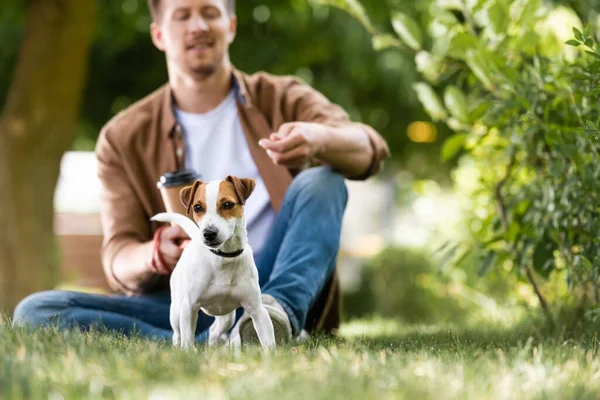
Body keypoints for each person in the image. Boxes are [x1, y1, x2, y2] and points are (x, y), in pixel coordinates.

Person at [12, 0, 390, 344]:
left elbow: (370, 148)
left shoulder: (281, 97)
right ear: (159, 34)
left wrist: (318, 138)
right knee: (36, 311)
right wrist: (156, 253)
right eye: (182, 15)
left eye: (210, 12)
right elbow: (119, 257)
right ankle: (211, 342)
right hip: (183, 293)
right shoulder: (122, 137)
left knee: (323, 180)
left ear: (231, 26)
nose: (198, 26)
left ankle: (277, 318)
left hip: (266, 280)